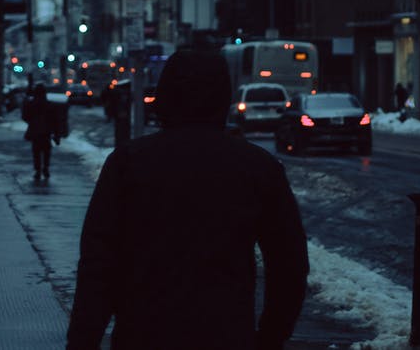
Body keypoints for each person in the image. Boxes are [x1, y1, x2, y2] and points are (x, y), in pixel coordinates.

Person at [66, 49, 309, 350]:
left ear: (166, 97)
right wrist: (272, 335)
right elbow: (289, 265)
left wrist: (83, 339)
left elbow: (98, 264)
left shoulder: (128, 164)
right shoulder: (258, 168)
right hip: (227, 334)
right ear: (223, 98)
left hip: (143, 334)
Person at [22, 84, 61, 181]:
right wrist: (57, 135)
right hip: (46, 132)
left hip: (35, 132)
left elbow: (25, 116)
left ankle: (38, 170)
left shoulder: (31, 104)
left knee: (36, 152)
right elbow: (56, 121)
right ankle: (45, 168)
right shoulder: (50, 105)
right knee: (46, 151)